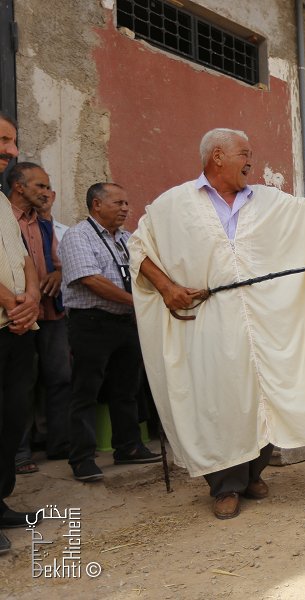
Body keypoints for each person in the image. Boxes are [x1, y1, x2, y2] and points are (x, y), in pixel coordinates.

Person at [129, 128, 305, 519]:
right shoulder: (173, 204)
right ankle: (225, 486)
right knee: (219, 402)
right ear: (216, 156)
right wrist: (166, 287)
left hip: (265, 322)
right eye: (244, 153)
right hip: (207, 323)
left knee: (269, 397)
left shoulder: (266, 200)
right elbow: (138, 247)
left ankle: (252, 473)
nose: (251, 159)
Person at [60, 182, 162, 482]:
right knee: (86, 391)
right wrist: (136, 302)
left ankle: (128, 446)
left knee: (126, 389)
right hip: (92, 323)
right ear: (96, 205)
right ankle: (81, 458)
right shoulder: (77, 236)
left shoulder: (127, 239)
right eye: (118, 203)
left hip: (125, 323)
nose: (125, 208)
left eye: (126, 203)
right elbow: (91, 279)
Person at [6, 163, 71, 473]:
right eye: (41, 187)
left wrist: (58, 272)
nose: (48, 193)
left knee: (59, 377)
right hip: (17, 313)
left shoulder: (43, 220)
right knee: (21, 384)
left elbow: (56, 260)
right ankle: (18, 453)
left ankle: (58, 443)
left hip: (51, 312)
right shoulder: (6, 218)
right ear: (19, 187)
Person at [0, 111, 43, 554]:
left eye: (12, 142)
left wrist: (30, 294)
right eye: (4, 141)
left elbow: (25, 257)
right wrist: (15, 302)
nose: (12, 152)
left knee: (12, 419)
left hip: (16, 329)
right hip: (9, 317)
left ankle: (0, 502)